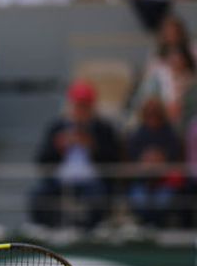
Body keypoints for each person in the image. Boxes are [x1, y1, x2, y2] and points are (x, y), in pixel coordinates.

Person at [30, 80, 122, 228]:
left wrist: (93, 147)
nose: (80, 110)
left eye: (85, 106)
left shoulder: (103, 129)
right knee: (38, 195)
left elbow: (114, 160)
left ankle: (90, 231)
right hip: (60, 179)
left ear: (92, 107)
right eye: (77, 105)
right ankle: (47, 229)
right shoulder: (57, 127)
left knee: (99, 196)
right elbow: (41, 160)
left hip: (92, 180)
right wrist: (58, 147)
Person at [125, 96, 185, 225]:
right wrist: (144, 160)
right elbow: (132, 159)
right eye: (149, 113)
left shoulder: (170, 134)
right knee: (139, 198)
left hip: (165, 182)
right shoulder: (137, 135)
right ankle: (146, 226)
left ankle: (159, 226)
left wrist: (162, 159)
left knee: (163, 200)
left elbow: (175, 157)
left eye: (156, 113)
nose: (152, 116)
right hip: (142, 181)